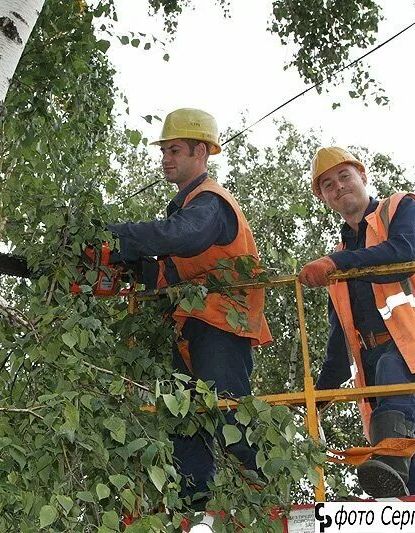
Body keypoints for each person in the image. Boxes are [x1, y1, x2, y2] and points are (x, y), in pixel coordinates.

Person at [107, 108, 273, 508]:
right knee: (185, 418)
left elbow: (182, 237)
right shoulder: (185, 207)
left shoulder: (210, 203)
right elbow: (168, 271)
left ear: (201, 151)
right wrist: (121, 267)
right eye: (164, 150)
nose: (165, 158)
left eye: (175, 150)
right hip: (192, 325)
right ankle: (194, 503)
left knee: (228, 412)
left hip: (222, 324)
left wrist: (115, 235)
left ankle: (269, 491)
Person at [298, 146, 415, 498]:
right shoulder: (343, 255)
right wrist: (317, 395)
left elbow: (406, 253)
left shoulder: (400, 208)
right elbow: (341, 336)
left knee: (395, 379)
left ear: (363, 176)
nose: (339, 187)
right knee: (412, 448)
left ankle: (388, 467)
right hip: (376, 363)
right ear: (324, 198)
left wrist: (338, 262)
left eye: (345, 176)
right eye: (328, 185)